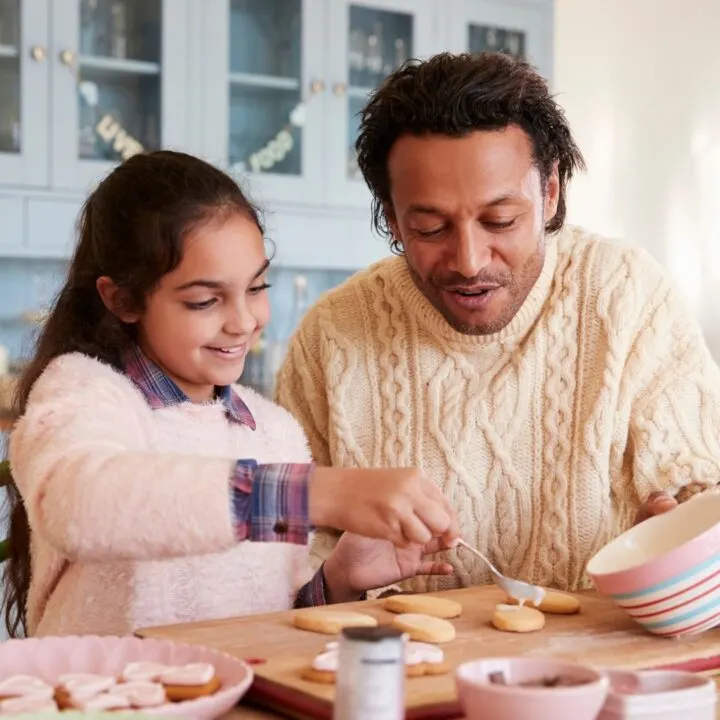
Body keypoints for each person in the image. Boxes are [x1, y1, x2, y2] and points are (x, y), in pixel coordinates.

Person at [275, 52, 720, 596]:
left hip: (596, 669)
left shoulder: (627, 297)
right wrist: (333, 582)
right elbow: (282, 581)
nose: (468, 260)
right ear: (391, 217)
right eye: (430, 227)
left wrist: (686, 544)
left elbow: (700, 488)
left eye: (500, 221)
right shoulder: (331, 337)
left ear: (550, 191)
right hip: (398, 673)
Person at [2, 150, 458, 638]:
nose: (244, 321)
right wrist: (314, 494)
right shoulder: (84, 392)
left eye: (257, 287)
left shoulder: (273, 432)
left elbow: (271, 615)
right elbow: (79, 505)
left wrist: (338, 580)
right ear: (123, 299)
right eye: (204, 300)